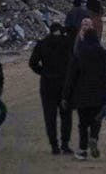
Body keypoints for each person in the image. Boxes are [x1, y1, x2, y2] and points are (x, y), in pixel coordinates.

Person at [64, 30, 106, 161]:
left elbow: (71, 77)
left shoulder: (79, 54)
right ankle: (94, 137)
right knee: (97, 120)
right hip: (100, 93)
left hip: (82, 94)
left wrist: (65, 96)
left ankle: (83, 149)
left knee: (83, 124)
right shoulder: (103, 53)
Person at [29, 23, 73, 154]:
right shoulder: (67, 43)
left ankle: (54, 145)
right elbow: (74, 61)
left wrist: (43, 72)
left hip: (47, 83)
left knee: (50, 116)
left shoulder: (42, 44)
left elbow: (32, 63)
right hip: (64, 84)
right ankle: (65, 144)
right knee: (66, 115)